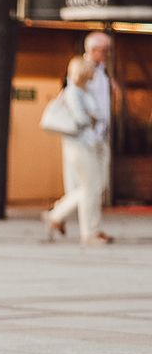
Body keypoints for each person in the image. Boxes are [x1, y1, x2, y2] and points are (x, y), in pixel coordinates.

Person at [42, 57, 113, 245]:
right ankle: (89, 232)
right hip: (79, 145)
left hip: (91, 144)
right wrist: (92, 117)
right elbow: (80, 119)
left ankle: (57, 215)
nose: (93, 73)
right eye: (90, 70)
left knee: (94, 186)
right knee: (90, 187)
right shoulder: (73, 92)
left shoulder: (84, 91)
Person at [83, 31, 113, 203]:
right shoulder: (82, 69)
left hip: (102, 133)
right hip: (90, 134)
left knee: (100, 183)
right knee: (90, 184)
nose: (106, 54)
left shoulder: (102, 72)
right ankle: (58, 214)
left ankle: (92, 228)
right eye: (104, 50)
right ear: (93, 50)